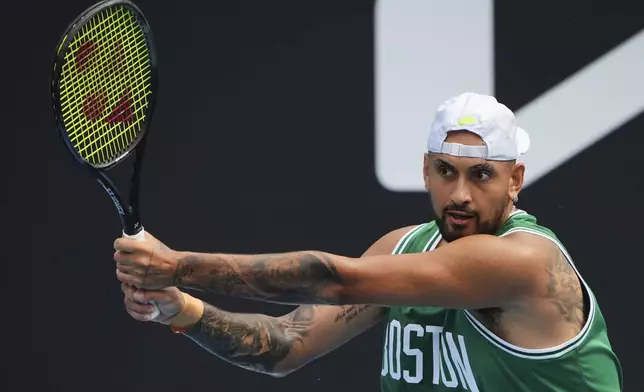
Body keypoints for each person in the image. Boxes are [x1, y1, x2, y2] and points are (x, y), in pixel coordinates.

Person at [113, 92, 623, 391]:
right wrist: (178, 309)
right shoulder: (403, 248)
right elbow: (286, 345)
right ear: (426, 171)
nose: (460, 194)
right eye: (446, 172)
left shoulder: (525, 261)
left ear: (515, 182)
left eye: (482, 175)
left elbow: (334, 281)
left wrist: (174, 265)